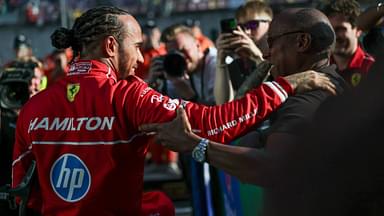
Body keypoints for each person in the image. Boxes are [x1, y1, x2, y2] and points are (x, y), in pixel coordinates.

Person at [11, 6, 336, 216]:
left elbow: (22, 196)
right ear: (112, 46)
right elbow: (213, 125)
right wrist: (285, 86)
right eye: (137, 48)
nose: (141, 60)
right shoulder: (126, 95)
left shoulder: (32, 108)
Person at [139, 7, 346, 214]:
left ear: (302, 42)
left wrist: (195, 145)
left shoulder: (307, 97)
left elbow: (272, 168)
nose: (266, 52)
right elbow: (236, 116)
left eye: (272, 41)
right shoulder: (330, 78)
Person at [0, 57, 45, 216]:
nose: (32, 92)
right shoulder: (4, 120)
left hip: (32, 205)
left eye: (38, 86)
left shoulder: (47, 118)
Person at [214, 0, 273, 104]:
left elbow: (278, 90)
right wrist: (221, 61)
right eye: (241, 27)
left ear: (270, 24)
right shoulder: (238, 66)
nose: (247, 31)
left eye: (253, 25)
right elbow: (223, 104)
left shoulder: (280, 58)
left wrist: (258, 57)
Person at [150, 24, 217, 105]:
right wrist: (152, 87)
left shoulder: (216, 64)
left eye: (183, 50)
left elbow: (221, 112)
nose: (180, 57)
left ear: (198, 46)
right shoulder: (177, 71)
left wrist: (190, 96)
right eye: (173, 53)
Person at [322, 0, 375, 87]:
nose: (334, 36)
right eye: (329, 29)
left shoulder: (371, 68)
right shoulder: (320, 68)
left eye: (341, 29)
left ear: (358, 30)